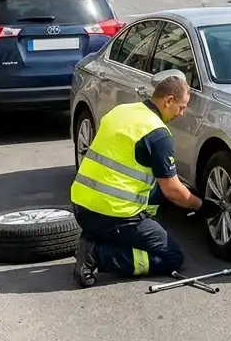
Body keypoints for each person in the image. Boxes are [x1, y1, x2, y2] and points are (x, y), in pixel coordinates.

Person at [70, 70, 222, 288]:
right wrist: (201, 206)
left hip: (81, 204)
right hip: (113, 213)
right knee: (171, 258)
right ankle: (96, 254)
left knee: (157, 188)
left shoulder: (121, 111)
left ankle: (99, 236)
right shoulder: (157, 133)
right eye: (181, 107)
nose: (182, 113)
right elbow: (172, 190)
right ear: (169, 100)